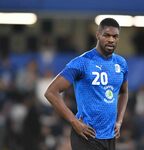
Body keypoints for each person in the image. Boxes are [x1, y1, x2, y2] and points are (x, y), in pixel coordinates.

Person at [44, 18, 129, 150]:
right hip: (86, 135)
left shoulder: (121, 63)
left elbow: (124, 92)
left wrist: (119, 121)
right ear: (98, 35)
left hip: (109, 137)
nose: (111, 40)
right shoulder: (82, 63)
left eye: (115, 36)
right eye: (106, 35)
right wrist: (74, 121)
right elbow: (51, 92)